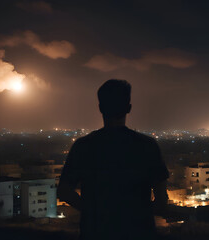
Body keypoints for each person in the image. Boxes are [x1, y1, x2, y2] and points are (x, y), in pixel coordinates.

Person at [57, 79, 169, 240]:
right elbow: (161, 200)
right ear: (129, 108)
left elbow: (65, 191)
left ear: (100, 108)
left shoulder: (84, 146)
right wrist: (136, 215)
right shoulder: (147, 146)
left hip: (95, 232)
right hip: (138, 232)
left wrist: (94, 212)